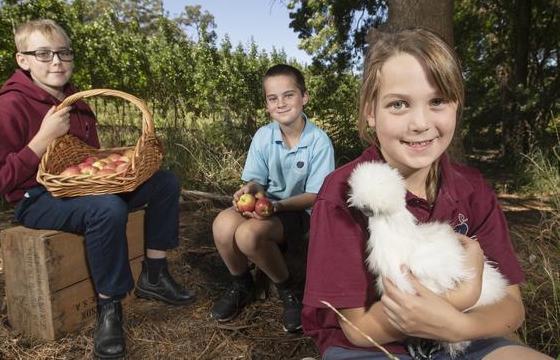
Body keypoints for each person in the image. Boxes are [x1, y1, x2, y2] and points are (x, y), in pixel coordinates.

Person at [302, 27, 552, 360]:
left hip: (468, 333)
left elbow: (511, 307)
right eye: (399, 104)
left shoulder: (472, 190)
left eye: (437, 101)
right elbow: (359, 330)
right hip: (373, 346)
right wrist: (460, 297)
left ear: (457, 105)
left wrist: (459, 326)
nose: (420, 122)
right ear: (370, 112)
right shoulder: (344, 194)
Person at [0, 19, 195, 359]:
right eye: (43, 54)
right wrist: (40, 141)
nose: (56, 62)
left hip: (83, 187)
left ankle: (154, 274)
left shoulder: (77, 100)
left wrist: (123, 165)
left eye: (63, 53)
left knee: (164, 181)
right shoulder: (6, 108)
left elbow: (89, 160)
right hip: (36, 198)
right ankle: (110, 306)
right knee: (107, 207)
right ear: (22, 60)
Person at [210, 64, 335, 333]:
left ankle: (288, 290)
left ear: (304, 97)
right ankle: (241, 283)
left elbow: (315, 196)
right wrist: (249, 190)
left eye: (288, 95)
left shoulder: (318, 141)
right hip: (267, 204)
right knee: (222, 224)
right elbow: (257, 180)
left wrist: (276, 206)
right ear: (266, 105)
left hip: (299, 210)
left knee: (247, 235)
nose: (281, 103)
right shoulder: (263, 136)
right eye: (272, 98)